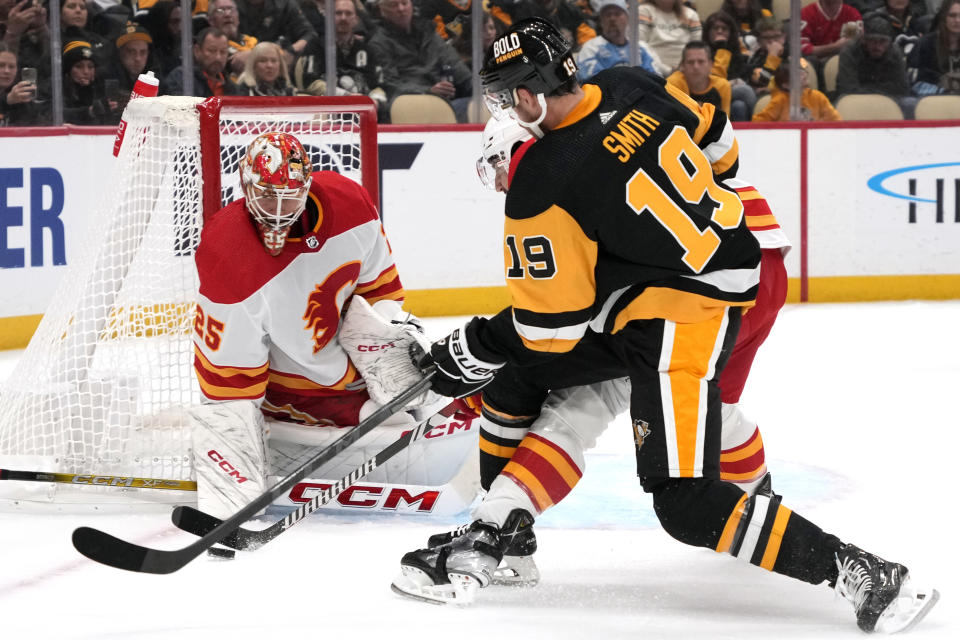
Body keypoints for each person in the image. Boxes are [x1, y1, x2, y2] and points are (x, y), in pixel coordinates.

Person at [390, 18, 938, 634]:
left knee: (685, 504)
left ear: (527, 94)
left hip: (682, 316)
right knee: (522, 378)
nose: (506, 111)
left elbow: (552, 327)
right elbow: (721, 142)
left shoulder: (545, 179)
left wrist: (472, 347)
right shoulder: (629, 82)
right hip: (710, 275)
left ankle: (862, 571)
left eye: (504, 97)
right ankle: (504, 536)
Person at [191, 130, 424, 517]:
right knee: (395, 427)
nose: (280, 210)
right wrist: (233, 467)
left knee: (417, 396)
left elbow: (381, 296)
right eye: (267, 195)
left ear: (308, 185)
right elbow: (228, 382)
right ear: (245, 187)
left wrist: (387, 357)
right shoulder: (227, 254)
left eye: (290, 196)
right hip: (290, 390)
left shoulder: (352, 205)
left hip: (346, 366)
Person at [366, 0, 472, 122]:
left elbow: (456, 66)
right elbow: (389, 84)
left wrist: (483, 89)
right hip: (405, 102)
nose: (401, 9)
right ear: (381, 10)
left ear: (412, 5)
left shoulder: (429, 34)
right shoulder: (378, 43)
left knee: (480, 104)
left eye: (404, 3)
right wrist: (428, 91)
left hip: (442, 101)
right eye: (393, 5)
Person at [294, 0, 388, 119]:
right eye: (338, 13)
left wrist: (375, 101)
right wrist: (346, 96)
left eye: (348, 13)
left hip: (363, 116)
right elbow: (310, 83)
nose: (343, 18)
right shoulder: (315, 46)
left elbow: (379, 86)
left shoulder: (368, 50)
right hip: (327, 116)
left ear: (356, 19)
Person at [837, 13, 914, 116]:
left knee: (910, 103)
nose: (878, 47)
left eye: (882, 41)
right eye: (872, 41)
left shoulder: (895, 52)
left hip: (889, 101)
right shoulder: (849, 51)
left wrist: (866, 88)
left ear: (890, 42)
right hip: (855, 102)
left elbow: (902, 88)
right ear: (863, 40)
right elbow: (848, 89)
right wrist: (884, 89)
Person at [575, 0, 666, 79]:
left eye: (617, 14)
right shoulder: (590, 49)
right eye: (607, 15)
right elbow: (591, 82)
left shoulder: (641, 48)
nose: (612, 19)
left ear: (627, 18)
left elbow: (656, 78)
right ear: (601, 21)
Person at [702, 11, 756, 119]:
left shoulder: (737, 54)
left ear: (731, 32)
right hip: (706, 95)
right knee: (745, 91)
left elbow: (741, 77)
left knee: (739, 106)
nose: (720, 31)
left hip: (729, 96)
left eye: (724, 28)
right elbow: (715, 80)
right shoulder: (701, 53)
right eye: (715, 28)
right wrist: (721, 48)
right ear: (708, 32)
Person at [752, 58, 842, 120]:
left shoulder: (818, 97)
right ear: (786, 85)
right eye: (797, 75)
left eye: (802, 71)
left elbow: (835, 120)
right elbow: (759, 123)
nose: (803, 75)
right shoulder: (779, 101)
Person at [162, 26, 241, 97]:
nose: (218, 57)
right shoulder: (181, 78)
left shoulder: (233, 88)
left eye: (223, 52)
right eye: (211, 50)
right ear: (197, 51)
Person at [236, 0, 317, 66]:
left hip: (277, 61)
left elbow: (310, 34)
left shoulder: (284, 4)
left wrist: (290, 51)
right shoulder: (229, 6)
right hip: (240, 57)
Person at [61, 33, 119, 124]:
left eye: (91, 67)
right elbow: (54, 114)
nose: (86, 72)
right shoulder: (55, 88)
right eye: (79, 66)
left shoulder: (101, 87)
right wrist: (89, 111)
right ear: (68, 70)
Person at [908, 0, 960, 95]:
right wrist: (943, 86)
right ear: (944, 17)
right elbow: (913, 78)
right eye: (952, 15)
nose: (957, 20)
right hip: (931, 99)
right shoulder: (925, 43)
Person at [667, 40, 733, 115]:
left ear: (710, 65)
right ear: (682, 65)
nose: (696, 67)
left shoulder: (722, 86)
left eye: (701, 61)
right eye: (690, 62)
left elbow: (725, 121)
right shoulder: (673, 84)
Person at [636, 0, 702, 72]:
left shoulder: (691, 15)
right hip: (653, 70)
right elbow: (640, 46)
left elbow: (696, 48)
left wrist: (683, 69)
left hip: (685, 72)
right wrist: (667, 70)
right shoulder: (643, 11)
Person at [207, 0, 257, 79]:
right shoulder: (208, 47)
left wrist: (252, 55)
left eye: (231, 9)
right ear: (211, 21)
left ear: (238, 18)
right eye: (221, 11)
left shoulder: (251, 42)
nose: (227, 14)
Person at [111, 21, 157, 104]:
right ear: (120, 53)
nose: (137, 58)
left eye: (143, 52)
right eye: (132, 52)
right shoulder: (107, 79)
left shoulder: (157, 82)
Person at [0, 40, 37, 125]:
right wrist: (7, 100)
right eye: (1, 65)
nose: (7, 71)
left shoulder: (19, 94)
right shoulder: (12, 96)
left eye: (12, 66)